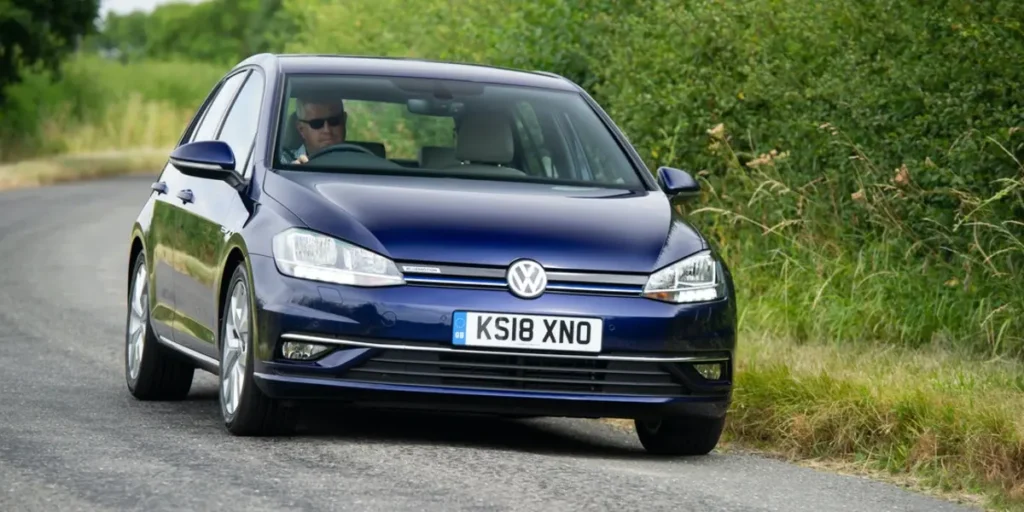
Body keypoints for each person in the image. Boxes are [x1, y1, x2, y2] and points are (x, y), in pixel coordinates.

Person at [286, 96, 347, 164]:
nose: (327, 130)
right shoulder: (284, 163)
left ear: (344, 120)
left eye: (334, 121)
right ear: (301, 129)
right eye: (316, 124)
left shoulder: (359, 162)